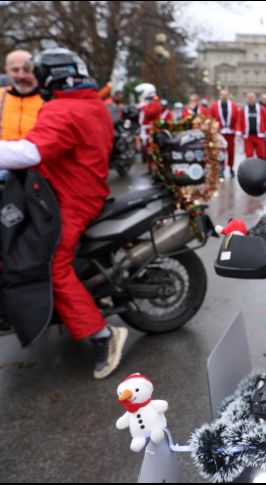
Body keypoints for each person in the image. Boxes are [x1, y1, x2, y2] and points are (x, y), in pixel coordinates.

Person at [0, 47, 127, 379]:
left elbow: (30, 151)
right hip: (72, 190)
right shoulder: (90, 102)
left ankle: (103, 334)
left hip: (70, 198)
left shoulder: (64, 109)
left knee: (52, 264)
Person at [1, 50, 44, 142]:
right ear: (7, 71)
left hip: (40, 155)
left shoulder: (50, 99)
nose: (21, 76)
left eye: (27, 69)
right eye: (15, 70)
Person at [210, 89, 241, 178]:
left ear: (228, 96)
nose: (224, 96)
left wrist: (237, 130)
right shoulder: (215, 106)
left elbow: (237, 119)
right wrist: (213, 129)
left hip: (230, 132)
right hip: (220, 133)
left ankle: (231, 167)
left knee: (231, 151)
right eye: (222, 95)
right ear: (220, 95)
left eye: (226, 95)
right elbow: (211, 118)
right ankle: (221, 169)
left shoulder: (233, 106)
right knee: (220, 151)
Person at [239, 92, 266, 160]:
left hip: (259, 135)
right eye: (249, 98)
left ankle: (261, 168)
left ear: (255, 98)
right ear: (247, 99)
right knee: (249, 155)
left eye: (252, 98)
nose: (250, 99)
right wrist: (239, 132)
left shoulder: (262, 109)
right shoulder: (243, 109)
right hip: (248, 136)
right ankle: (250, 169)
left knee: (262, 154)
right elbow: (239, 121)